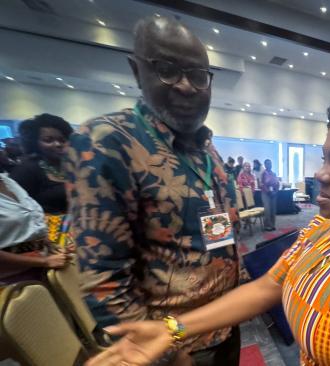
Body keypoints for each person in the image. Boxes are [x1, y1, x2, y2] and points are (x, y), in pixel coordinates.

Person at [86, 83, 330, 366]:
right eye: (325, 159)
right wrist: (171, 328)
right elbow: (269, 285)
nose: (320, 175)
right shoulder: (324, 231)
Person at [64, 16, 240, 365]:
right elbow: (103, 276)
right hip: (172, 346)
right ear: (136, 71)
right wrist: (168, 357)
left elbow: (219, 236)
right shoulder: (106, 143)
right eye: (167, 69)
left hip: (225, 326)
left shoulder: (207, 149)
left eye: (198, 75)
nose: (186, 87)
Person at [0, 173, 69, 284]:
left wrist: (48, 243)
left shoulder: (6, 180)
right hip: (16, 276)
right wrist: (44, 261)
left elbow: (27, 220)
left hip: (41, 261)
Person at [10, 114, 73, 215]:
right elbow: (16, 211)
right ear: (35, 143)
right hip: (47, 227)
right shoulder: (26, 170)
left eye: (62, 140)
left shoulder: (74, 165)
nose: (58, 144)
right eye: (48, 140)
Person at [260, 159, 279, 231]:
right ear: (265, 165)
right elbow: (262, 184)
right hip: (265, 193)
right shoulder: (263, 174)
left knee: (273, 210)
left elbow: (277, 183)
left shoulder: (274, 173)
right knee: (267, 210)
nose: (269, 165)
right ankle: (267, 226)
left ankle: (272, 225)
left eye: (270, 163)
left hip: (273, 193)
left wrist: (275, 191)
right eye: (267, 164)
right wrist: (268, 191)